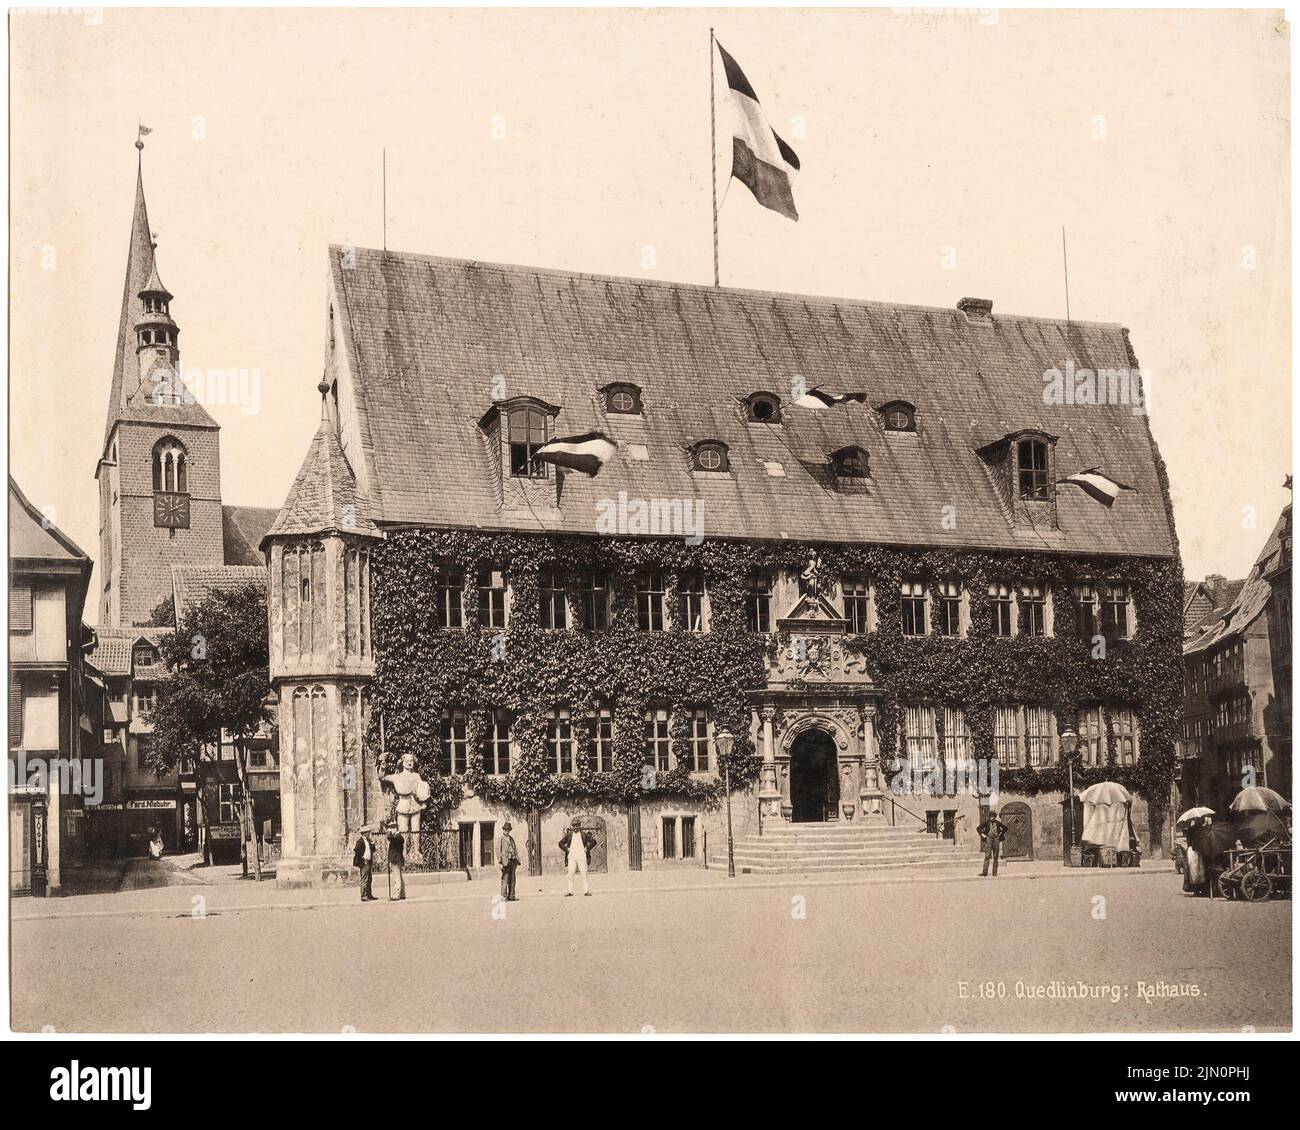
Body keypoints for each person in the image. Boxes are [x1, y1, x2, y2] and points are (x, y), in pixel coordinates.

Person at [559, 817, 596, 897]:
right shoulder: (569, 835)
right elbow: (560, 843)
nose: (575, 827)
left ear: (580, 826)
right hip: (572, 857)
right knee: (570, 874)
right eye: (574, 826)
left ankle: (586, 891)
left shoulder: (584, 835)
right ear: (572, 826)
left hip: (581, 857)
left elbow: (594, 841)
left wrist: (587, 848)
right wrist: (566, 849)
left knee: (584, 873)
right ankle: (570, 891)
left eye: (577, 826)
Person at [977, 808, 1009, 877]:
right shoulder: (986, 823)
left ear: (995, 817)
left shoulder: (997, 823)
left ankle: (995, 873)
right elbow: (978, 828)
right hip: (988, 840)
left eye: (993, 816)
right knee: (987, 856)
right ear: (989, 817)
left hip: (996, 840)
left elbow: (1005, 828)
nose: (992, 818)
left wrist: (1000, 834)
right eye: (991, 816)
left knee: (995, 856)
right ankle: (984, 873)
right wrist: (983, 835)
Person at [498, 820, 520, 901]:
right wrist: (500, 862)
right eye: (505, 830)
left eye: (508, 830)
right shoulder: (501, 839)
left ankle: (511, 896)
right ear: (503, 830)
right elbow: (498, 851)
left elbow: (514, 848)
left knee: (512, 878)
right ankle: (503, 896)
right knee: (505, 878)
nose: (507, 831)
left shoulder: (511, 839)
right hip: (505, 861)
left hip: (512, 860)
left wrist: (516, 859)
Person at [352, 825, 376, 901]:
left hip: (368, 861)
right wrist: (362, 859)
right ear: (364, 833)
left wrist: (372, 844)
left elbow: (373, 850)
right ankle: (363, 895)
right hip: (364, 862)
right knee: (364, 879)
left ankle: (369, 894)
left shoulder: (368, 841)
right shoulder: (360, 841)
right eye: (368, 832)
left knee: (369, 879)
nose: (369, 834)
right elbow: (356, 850)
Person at [386, 822, 406, 901]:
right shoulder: (397, 836)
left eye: (391, 828)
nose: (389, 830)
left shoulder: (398, 837)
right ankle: (402, 893)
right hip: (396, 859)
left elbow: (390, 838)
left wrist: (390, 833)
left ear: (395, 828)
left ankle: (397, 894)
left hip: (396, 859)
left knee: (396, 877)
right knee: (399, 877)